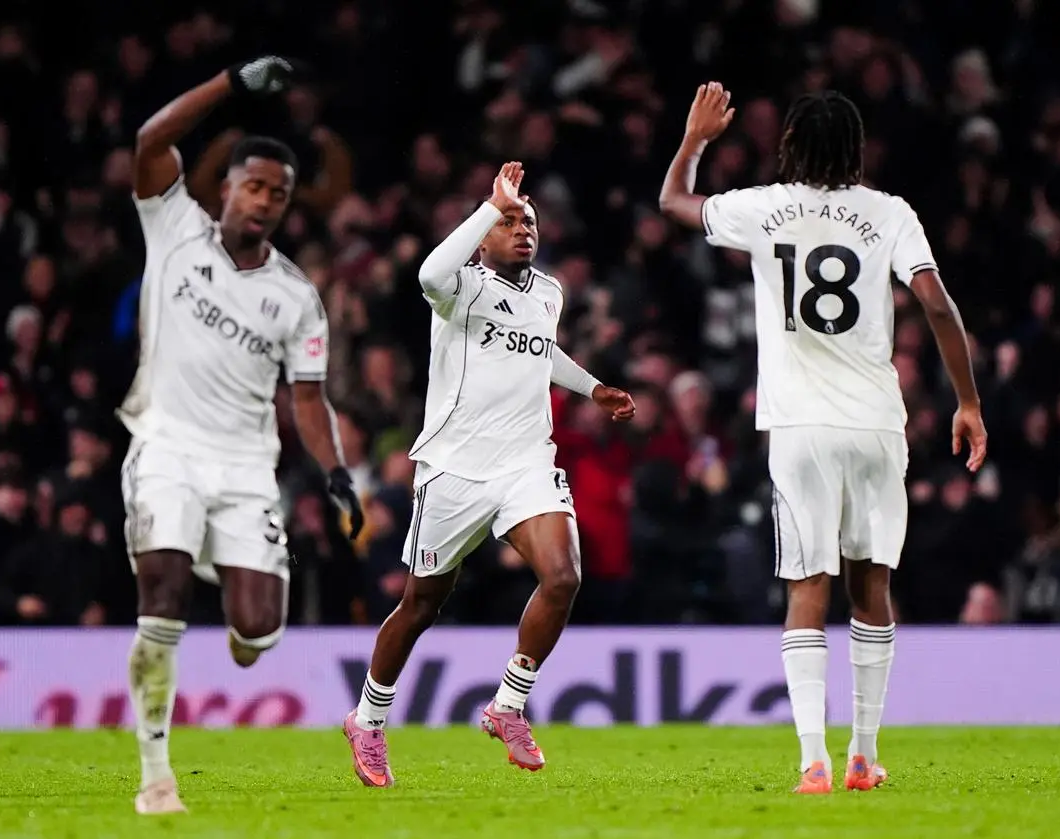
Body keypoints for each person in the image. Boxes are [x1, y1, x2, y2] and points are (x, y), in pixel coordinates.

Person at [659, 85, 987, 793]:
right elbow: (935, 302)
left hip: (799, 426)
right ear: (856, 148)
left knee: (807, 586)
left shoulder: (763, 207)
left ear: (790, 146)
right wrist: (967, 400)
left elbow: (673, 202)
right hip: (874, 422)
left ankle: (814, 760)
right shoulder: (890, 213)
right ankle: (864, 755)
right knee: (872, 583)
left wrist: (695, 140)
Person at [121, 56, 364, 815]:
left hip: (246, 469)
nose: (264, 201)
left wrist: (337, 473)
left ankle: (221, 577)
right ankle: (155, 776)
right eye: (254, 185)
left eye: (279, 194)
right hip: (165, 445)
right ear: (224, 186)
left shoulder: (295, 297)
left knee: (257, 632)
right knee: (161, 594)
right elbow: (150, 138)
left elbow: (309, 399)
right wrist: (231, 84)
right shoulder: (173, 226)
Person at [342, 163, 636, 787]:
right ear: (481, 239)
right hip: (455, 468)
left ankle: (508, 704)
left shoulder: (549, 293)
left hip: (526, 461)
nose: (522, 229)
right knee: (421, 604)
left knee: (563, 575)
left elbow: (539, 349)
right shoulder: (460, 289)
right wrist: (488, 207)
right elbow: (426, 274)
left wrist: (592, 387)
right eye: (508, 223)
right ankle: (367, 720)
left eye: (528, 222)